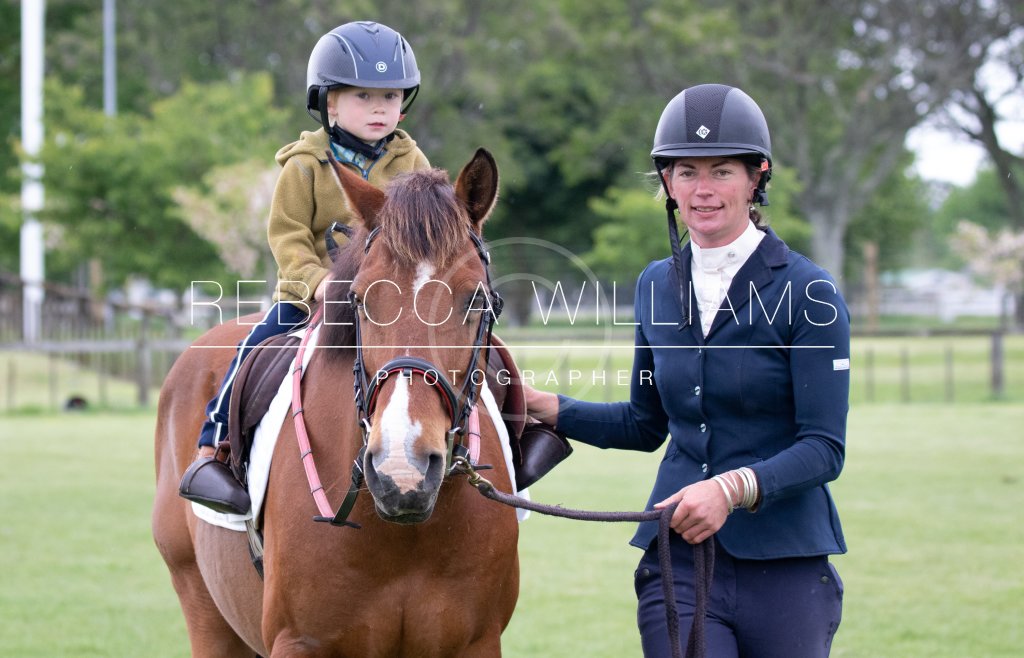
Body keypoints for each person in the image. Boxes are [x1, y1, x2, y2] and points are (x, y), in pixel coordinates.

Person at [524, 83, 849, 657]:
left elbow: (824, 448)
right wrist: (545, 405)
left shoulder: (809, 291)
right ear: (668, 182)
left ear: (756, 178)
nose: (703, 189)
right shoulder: (654, 284)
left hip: (785, 562)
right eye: (687, 172)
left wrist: (729, 489)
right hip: (678, 558)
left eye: (722, 171)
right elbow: (644, 421)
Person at [180, 21, 430, 513]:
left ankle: (520, 434)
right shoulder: (304, 166)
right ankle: (214, 448)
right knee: (255, 349)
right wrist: (319, 284)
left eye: (390, 96)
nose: (379, 107)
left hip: (393, 304)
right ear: (329, 103)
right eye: (363, 96)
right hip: (311, 299)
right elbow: (288, 237)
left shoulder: (413, 162)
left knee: (474, 345)